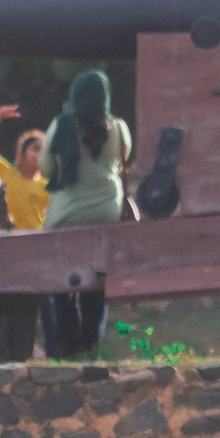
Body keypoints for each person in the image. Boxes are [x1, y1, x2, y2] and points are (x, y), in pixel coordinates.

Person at [34, 69, 136, 358]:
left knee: (62, 282)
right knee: (98, 282)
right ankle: (90, 345)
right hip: (107, 212)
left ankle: (67, 346)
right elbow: (124, 159)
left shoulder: (61, 125)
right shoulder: (118, 128)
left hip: (65, 216)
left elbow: (46, 168)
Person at [0, 104, 49, 363]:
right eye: (35, 148)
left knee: (26, 306)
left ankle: (22, 356)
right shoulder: (9, 174)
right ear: (22, 152)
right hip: (7, 251)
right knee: (1, 304)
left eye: (44, 150)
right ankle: (2, 355)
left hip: (32, 252)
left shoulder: (46, 186)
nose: (41, 154)